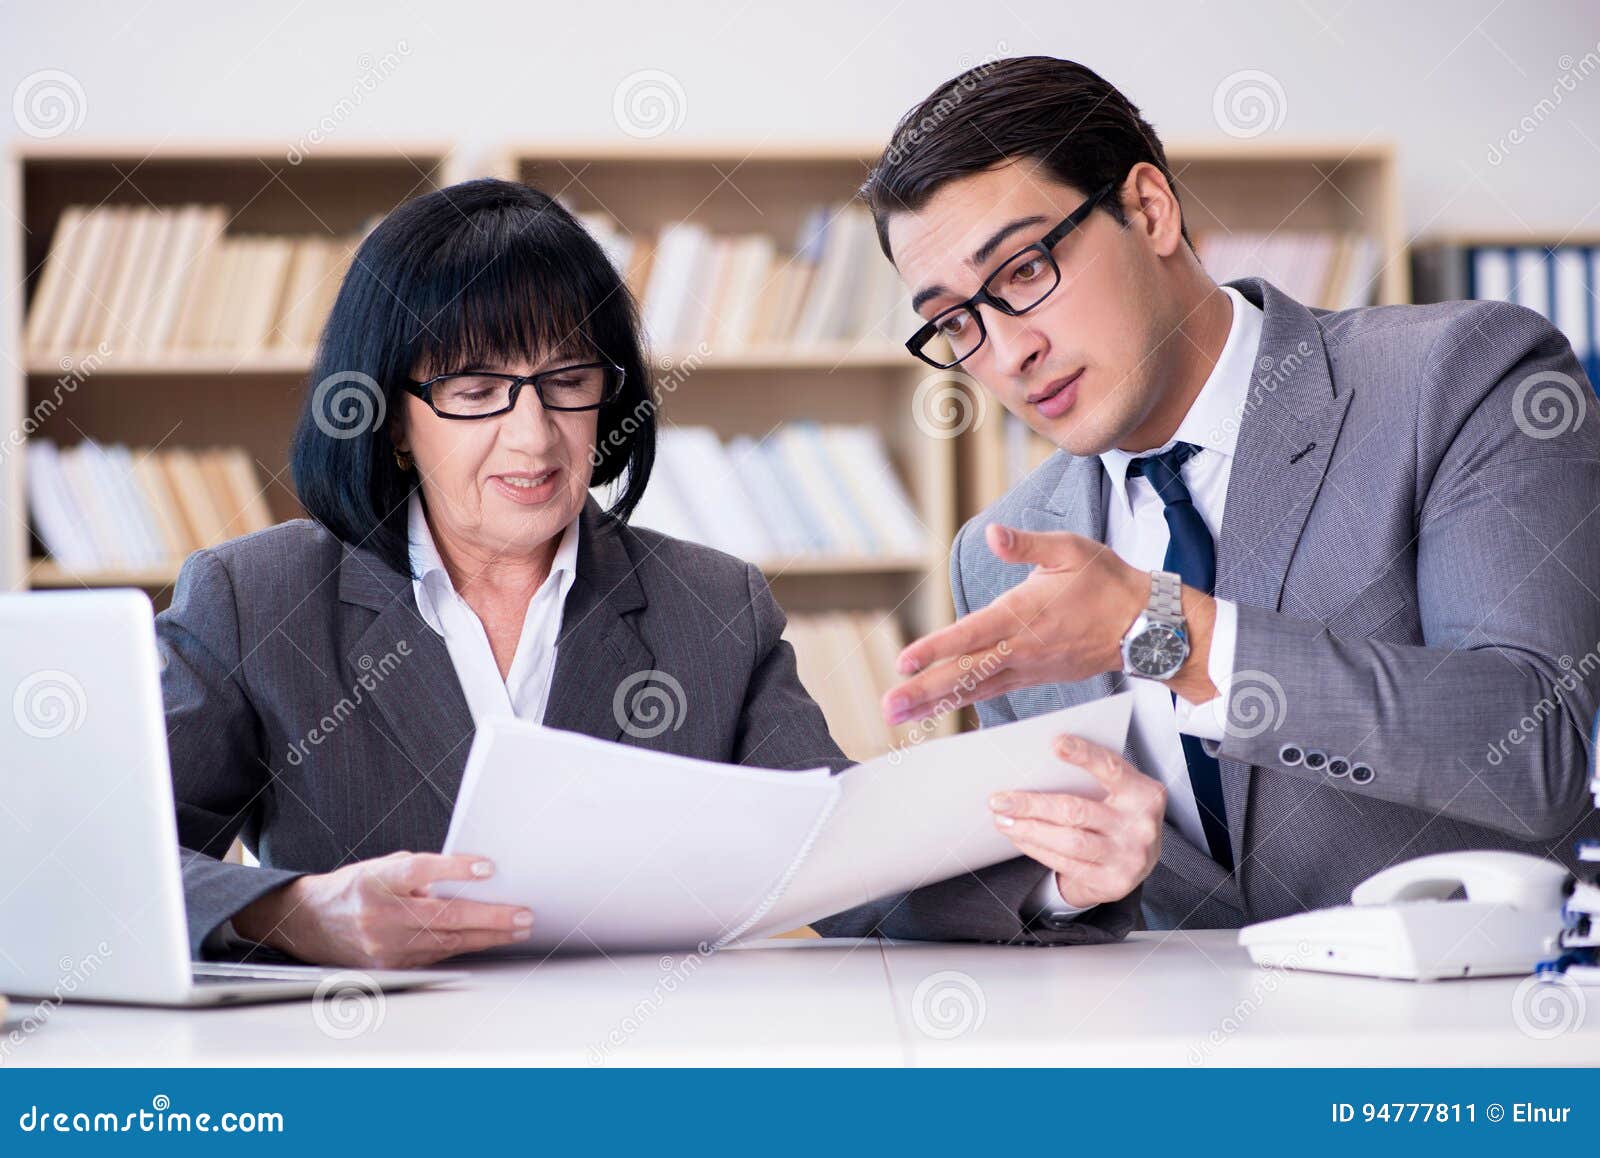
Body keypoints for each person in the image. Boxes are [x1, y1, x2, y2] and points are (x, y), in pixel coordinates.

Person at [819, 55, 1600, 942]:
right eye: (957, 321)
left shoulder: (1457, 377)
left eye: (1026, 270)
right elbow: (1059, 896)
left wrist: (1164, 633)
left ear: (1150, 209)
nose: (1007, 353)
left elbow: (1533, 751)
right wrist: (1068, 886)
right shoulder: (1003, 551)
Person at [162, 178, 847, 969]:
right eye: (477, 390)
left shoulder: (715, 606)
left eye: (568, 382)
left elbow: (847, 854)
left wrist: (987, 826)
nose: (534, 437)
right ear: (392, 420)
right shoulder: (255, 600)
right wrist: (290, 911)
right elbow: (99, 866)